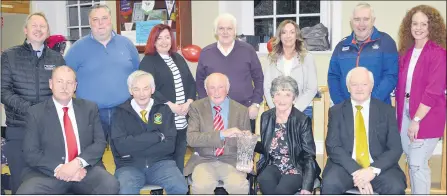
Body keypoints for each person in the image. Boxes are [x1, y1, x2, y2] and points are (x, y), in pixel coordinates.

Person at [16, 66, 119, 194]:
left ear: (75, 86)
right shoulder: (36, 113)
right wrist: (61, 169)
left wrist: (77, 164)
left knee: (110, 184)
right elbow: (31, 152)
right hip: (48, 173)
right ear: (51, 84)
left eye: (69, 83)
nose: (64, 87)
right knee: (27, 192)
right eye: (59, 81)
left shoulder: (89, 108)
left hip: (85, 170)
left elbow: (99, 143)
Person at [0, 12, 65, 194]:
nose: (38, 29)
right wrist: (31, 111)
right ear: (25, 30)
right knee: (20, 184)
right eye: (34, 26)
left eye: (42, 26)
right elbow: (3, 91)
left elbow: (63, 91)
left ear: (47, 31)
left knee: (49, 182)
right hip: (19, 129)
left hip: (49, 131)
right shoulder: (9, 56)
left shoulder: (57, 59)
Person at [321, 67, 406, 194]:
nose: (359, 88)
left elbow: (395, 148)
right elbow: (333, 146)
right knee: (330, 184)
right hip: (345, 166)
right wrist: (357, 172)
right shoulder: (336, 111)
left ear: (371, 86)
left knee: (395, 186)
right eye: (354, 84)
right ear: (348, 87)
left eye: (364, 84)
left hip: (378, 166)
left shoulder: (387, 111)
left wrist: (372, 170)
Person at [65, 4, 139, 141]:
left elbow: (137, 75)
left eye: (104, 18)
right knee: (92, 156)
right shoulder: (77, 49)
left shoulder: (127, 44)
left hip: (124, 110)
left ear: (110, 20)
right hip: (91, 113)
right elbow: (64, 78)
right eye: (95, 19)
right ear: (89, 23)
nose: (100, 23)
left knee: (125, 153)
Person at [395, 5, 446, 194]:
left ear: (432, 27)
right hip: (405, 114)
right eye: (415, 23)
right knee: (413, 161)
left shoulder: (438, 53)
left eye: (424, 24)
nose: (418, 28)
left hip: (425, 116)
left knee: (417, 164)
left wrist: (416, 120)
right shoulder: (407, 52)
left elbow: (433, 90)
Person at [111, 70, 188, 194]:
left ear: (152, 89)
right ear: (130, 90)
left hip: (161, 164)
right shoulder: (119, 113)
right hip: (129, 167)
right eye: (136, 89)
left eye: (146, 88)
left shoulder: (164, 110)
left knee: (180, 187)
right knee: (125, 190)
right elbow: (121, 147)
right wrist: (157, 136)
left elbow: (169, 146)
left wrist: (134, 143)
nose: (142, 94)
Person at [139, 24, 196, 173]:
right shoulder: (148, 61)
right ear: (153, 40)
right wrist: (170, 105)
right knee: (163, 159)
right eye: (159, 38)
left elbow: (190, 82)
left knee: (179, 155)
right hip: (163, 118)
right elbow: (149, 89)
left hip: (182, 117)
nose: (164, 41)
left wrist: (189, 102)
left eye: (167, 37)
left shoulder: (177, 58)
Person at [195, 13, 264, 133]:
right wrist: (206, 105)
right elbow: (199, 82)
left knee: (244, 149)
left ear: (235, 31)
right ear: (216, 31)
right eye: (221, 28)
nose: (225, 32)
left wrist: (255, 104)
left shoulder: (248, 50)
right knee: (217, 148)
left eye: (229, 28)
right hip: (215, 113)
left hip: (245, 111)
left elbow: (259, 79)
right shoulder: (206, 53)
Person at [185, 73, 251, 194]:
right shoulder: (196, 107)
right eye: (212, 88)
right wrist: (222, 133)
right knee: (200, 187)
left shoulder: (242, 110)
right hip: (203, 160)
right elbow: (191, 139)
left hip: (231, 161)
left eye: (220, 87)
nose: (216, 92)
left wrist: (246, 141)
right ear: (206, 90)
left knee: (239, 187)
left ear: (227, 89)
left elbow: (245, 146)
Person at [255, 76, 320, 194]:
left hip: (296, 166)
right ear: (273, 97)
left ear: (294, 99)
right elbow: (266, 146)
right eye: (278, 94)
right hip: (273, 164)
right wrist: (250, 141)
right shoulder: (266, 117)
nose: (282, 99)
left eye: (287, 95)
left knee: (281, 191)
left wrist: (307, 185)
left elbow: (309, 155)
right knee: (264, 180)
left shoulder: (302, 120)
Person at [327, 2, 398, 105]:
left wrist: (370, 103)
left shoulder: (386, 42)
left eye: (366, 19)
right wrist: (343, 104)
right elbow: (333, 77)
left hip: (378, 108)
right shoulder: (341, 46)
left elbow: (391, 76)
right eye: (357, 19)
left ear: (373, 21)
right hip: (346, 110)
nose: (361, 24)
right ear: (351, 22)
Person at [263, 20, 317, 119]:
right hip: (277, 111)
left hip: (302, 110)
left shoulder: (307, 57)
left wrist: (294, 110)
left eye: (292, 32)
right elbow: (267, 88)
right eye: (284, 32)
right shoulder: (271, 58)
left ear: (297, 36)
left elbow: (312, 88)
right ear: (280, 36)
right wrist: (277, 110)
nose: (288, 36)